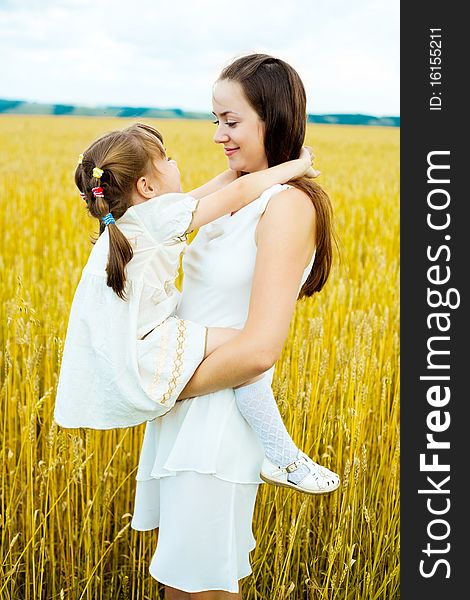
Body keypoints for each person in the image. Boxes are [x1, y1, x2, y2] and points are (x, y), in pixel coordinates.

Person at [130, 54, 340, 599]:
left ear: (272, 117)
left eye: (232, 120)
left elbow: (260, 349)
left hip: (218, 418)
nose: (218, 135)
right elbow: (161, 221)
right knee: (182, 585)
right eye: (215, 119)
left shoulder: (288, 207)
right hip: (184, 412)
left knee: (198, 587)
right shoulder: (237, 194)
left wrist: (162, 385)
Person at [53, 122, 314, 436]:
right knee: (249, 347)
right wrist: (299, 164)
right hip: (150, 346)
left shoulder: (137, 219)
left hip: (132, 344)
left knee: (243, 350)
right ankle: (279, 449)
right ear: (147, 187)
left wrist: (247, 168)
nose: (174, 164)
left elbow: (227, 185)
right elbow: (239, 193)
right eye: (167, 159)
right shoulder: (160, 219)